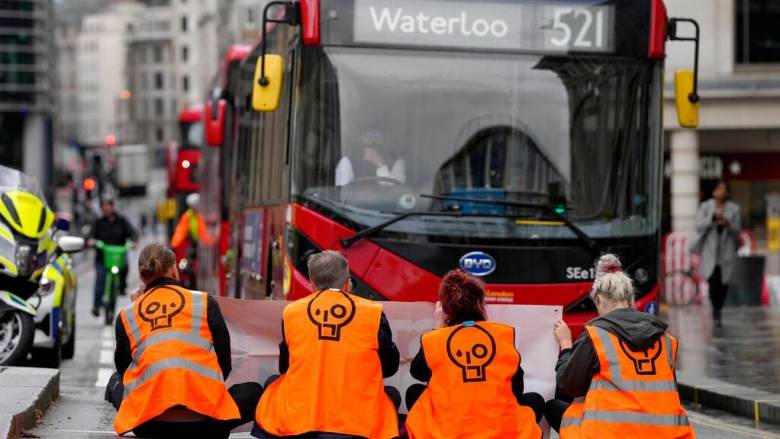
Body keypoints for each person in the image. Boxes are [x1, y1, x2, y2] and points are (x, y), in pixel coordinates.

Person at [106, 243, 262, 438]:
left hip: (149, 425)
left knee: (114, 380)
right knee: (254, 391)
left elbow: (124, 370)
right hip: (207, 424)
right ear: (173, 269)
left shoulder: (128, 314)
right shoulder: (204, 302)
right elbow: (224, 363)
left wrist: (138, 305)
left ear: (142, 275)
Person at [253, 250, 400, 439]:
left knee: (272, 383)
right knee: (391, 395)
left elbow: (285, 367)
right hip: (358, 425)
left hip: (300, 423)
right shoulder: (372, 312)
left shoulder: (292, 312)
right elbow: (389, 368)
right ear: (347, 282)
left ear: (312, 283)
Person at [545, 254, 695, 439]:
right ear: (629, 298)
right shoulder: (666, 340)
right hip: (668, 434)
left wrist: (566, 345)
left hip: (611, 433)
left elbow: (568, 384)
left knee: (553, 407)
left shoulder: (597, 335)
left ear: (598, 299)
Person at [404, 269, 543, 439]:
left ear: (445, 310)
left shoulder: (435, 339)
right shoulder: (501, 335)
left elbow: (417, 373)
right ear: (481, 304)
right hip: (498, 430)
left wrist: (437, 328)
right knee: (533, 399)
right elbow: (516, 389)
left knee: (414, 392)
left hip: (448, 431)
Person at [692, 180, 741, 327]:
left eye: (724, 189)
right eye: (719, 188)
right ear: (713, 191)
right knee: (713, 283)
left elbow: (738, 229)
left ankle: (719, 309)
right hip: (710, 252)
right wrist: (711, 219)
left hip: (726, 252)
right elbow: (698, 225)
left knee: (724, 284)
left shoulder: (734, 208)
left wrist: (728, 223)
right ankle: (716, 312)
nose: (721, 192)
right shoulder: (705, 207)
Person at [89, 198, 138, 317]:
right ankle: (96, 306)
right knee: (100, 281)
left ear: (112, 206)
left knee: (125, 267)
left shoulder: (122, 221)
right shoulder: (99, 222)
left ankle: (121, 287)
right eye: (103, 206)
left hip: (118, 256)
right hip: (102, 258)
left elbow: (132, 233)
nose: (106, 208)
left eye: (108, 205)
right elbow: (91, 236)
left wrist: (134, 241)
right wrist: (91, 241)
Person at [335, 131, 406, 186]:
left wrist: (380, 164)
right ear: (360, 138)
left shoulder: (397, 162)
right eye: (369, 136)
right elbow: (342, 193)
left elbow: (398, 193)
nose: (373, 140)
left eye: (378, 135)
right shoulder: (347, 161)